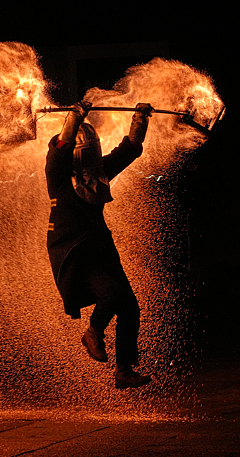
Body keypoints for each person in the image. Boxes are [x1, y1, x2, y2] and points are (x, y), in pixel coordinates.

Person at [45, 100, 153, 389]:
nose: (92, 157)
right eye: (86, 152)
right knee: (112, 294)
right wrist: (76, 116)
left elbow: (129, 149)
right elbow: (60, 148)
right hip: (75, 251)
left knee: (130, 307)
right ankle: (93, 332)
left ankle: (124, 370)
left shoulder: (99, 171)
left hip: (100, 247)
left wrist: (140, 119)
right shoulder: (59, 176)